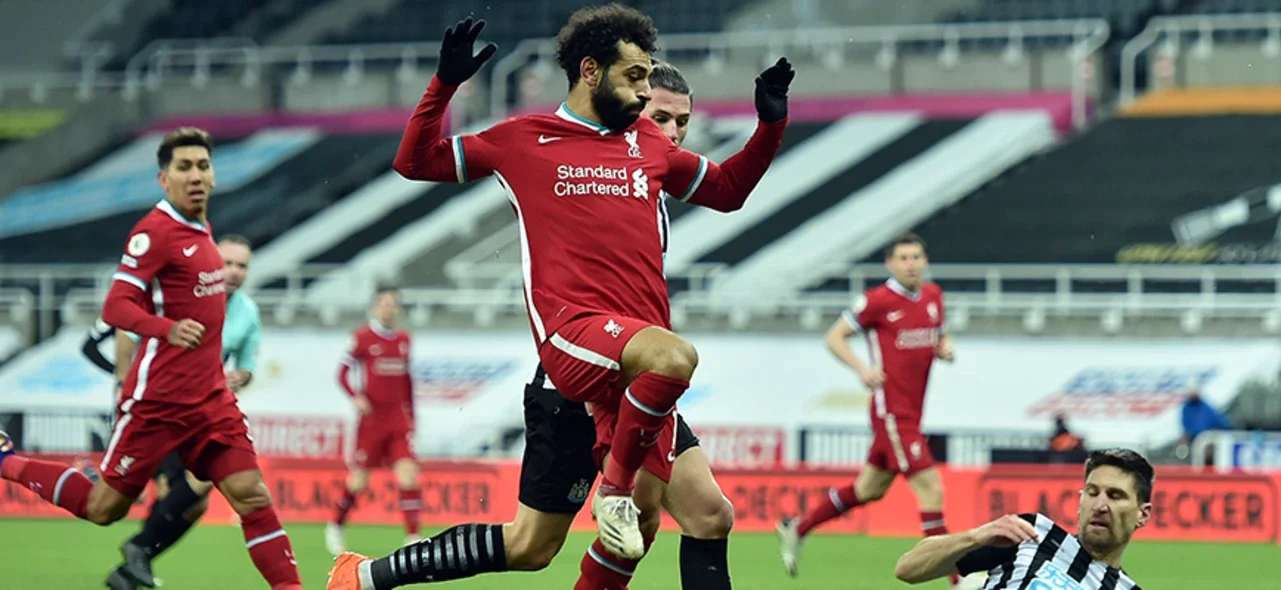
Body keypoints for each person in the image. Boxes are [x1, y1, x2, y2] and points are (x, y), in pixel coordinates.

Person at [328, 4, 793, 589]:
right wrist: (444, 85)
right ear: (591, 71)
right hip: (575, 353)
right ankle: (615, 492)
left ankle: (366, 578)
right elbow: (413, 160)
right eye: (636, 77)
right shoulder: (524, 140)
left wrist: (770, 126)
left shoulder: (646, 143)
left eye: (650, 79)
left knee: (680, 520)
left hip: (634, 369)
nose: (646, 92)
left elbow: (726, 192)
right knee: (667, 377)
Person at [0, 127, 300, 590]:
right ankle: (6, 462)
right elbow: (115, 307)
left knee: (251, 495)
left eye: (203, 165)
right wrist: (167, 328)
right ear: (164, 179)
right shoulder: (154, 233)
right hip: (157, 402)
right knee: (104, 508)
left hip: (211, 401)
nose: (196, 175)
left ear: (214, 175)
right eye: (184, 167)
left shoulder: (202, 232)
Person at [778, 232, 958, 585]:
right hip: (892, 413)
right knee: (931, 490)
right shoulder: (877, 300)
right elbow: (834, 337)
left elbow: (940, 333)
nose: (911, 264)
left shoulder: (934, 297)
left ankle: (797, 528)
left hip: (912, 411)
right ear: (890, 264)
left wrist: (944, 348)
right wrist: (862, 369)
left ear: (925, 261)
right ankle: (958, 579)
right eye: (904, 258)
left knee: (869, 489)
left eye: (917, 257)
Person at [91, 234, 262, 589]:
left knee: (194, 498)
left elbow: (246, 364)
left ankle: (134, 561)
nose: (233, 271)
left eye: (241, 265)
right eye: (227, 262)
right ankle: (137, 553)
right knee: (113, 504)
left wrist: (239, 377)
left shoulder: (247, 312)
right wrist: (122, 383)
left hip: (200, 411)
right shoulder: (182, 295)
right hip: (157, 406)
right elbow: (128, 329)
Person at [893, 448, 1151, 590]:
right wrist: (975, 537)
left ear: (1143, 514)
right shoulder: (1031, 533)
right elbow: (907, 570)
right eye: (1093, 493)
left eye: (1115, 496)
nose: (1100, 505)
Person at [325, 286, 420, 554]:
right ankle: (336, 525)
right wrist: (355, 397)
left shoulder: (404, 339)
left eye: (393, 304)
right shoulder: (361, 338)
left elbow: (407, 380)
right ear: (375, 307)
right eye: (384, 304)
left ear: (399, 309)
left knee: (408, 475)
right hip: (372, 420)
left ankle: (413, 538)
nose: (389, 308)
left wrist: (411, 416)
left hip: (398, 419)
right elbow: (342, 373)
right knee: (359, 480)